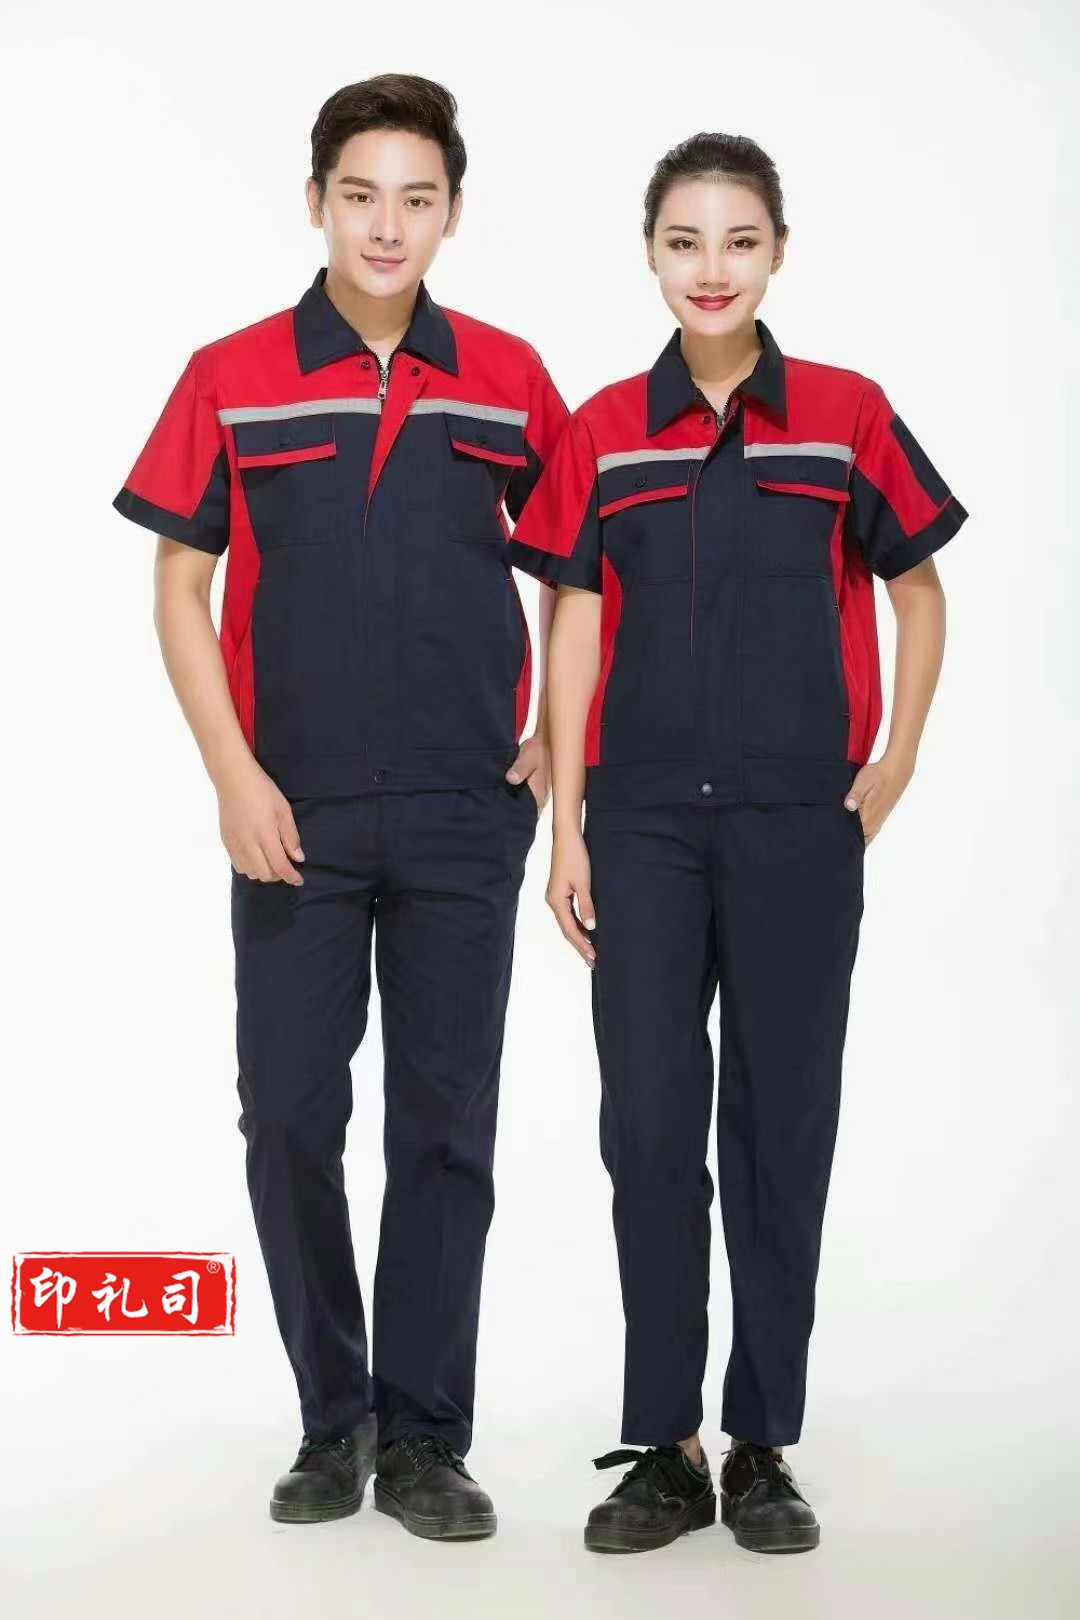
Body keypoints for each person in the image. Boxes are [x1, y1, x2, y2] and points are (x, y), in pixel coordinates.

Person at [112, 74, 568, 1541]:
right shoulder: (233, 373)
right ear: (316, 201)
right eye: (360, 195)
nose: (387, 225)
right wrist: (231, 774)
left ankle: (426, 1436)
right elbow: (179, 583)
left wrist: (557, 740)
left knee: (445, 1123)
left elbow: (581, 565)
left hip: (461, 809)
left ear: (452, 213)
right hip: (290, 812)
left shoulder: (507, 376)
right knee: (291, 1114)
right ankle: (334, 1418)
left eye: (417, 199)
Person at [507, 131, 968, 1555]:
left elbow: (918, 587)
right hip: (642, 823)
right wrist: (570, 825)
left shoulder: (845, 413)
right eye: (685, 241)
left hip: (795, 826)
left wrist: (893, 761)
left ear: (777, 252)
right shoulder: (604, 428)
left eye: (740, 241)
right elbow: (574, 621)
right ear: (651, 253)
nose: (712, 268)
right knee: (649, 1126)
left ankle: (763, 1441)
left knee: (779, 1130)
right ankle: (667, 1445)